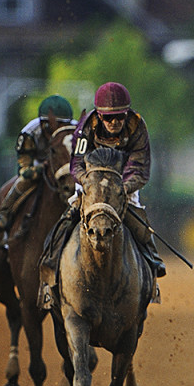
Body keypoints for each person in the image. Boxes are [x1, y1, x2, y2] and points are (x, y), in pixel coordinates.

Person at [44, 82, 166, 280]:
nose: (114, 122)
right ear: (99, 115)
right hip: (90, 181)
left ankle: (152, 262)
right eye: (109, 118)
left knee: (138, 219)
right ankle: (50, 263)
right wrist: (89, 183)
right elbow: (76, 165)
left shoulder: (137, 126)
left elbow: (141, 170)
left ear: (127, 114)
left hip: (123, 183)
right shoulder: (86, 127)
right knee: (69, 216)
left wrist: (121, 188)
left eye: (119, 116)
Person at [0, 95, 77, 249]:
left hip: (66, 168)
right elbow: (25, 171)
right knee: (23, 182)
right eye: (52, 126)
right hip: (38, 164)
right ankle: (3, 217)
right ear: (43, 124)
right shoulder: (29, 134)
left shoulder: (76, 130)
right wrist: (43, 168)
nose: (57, 130)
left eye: (63, 126)